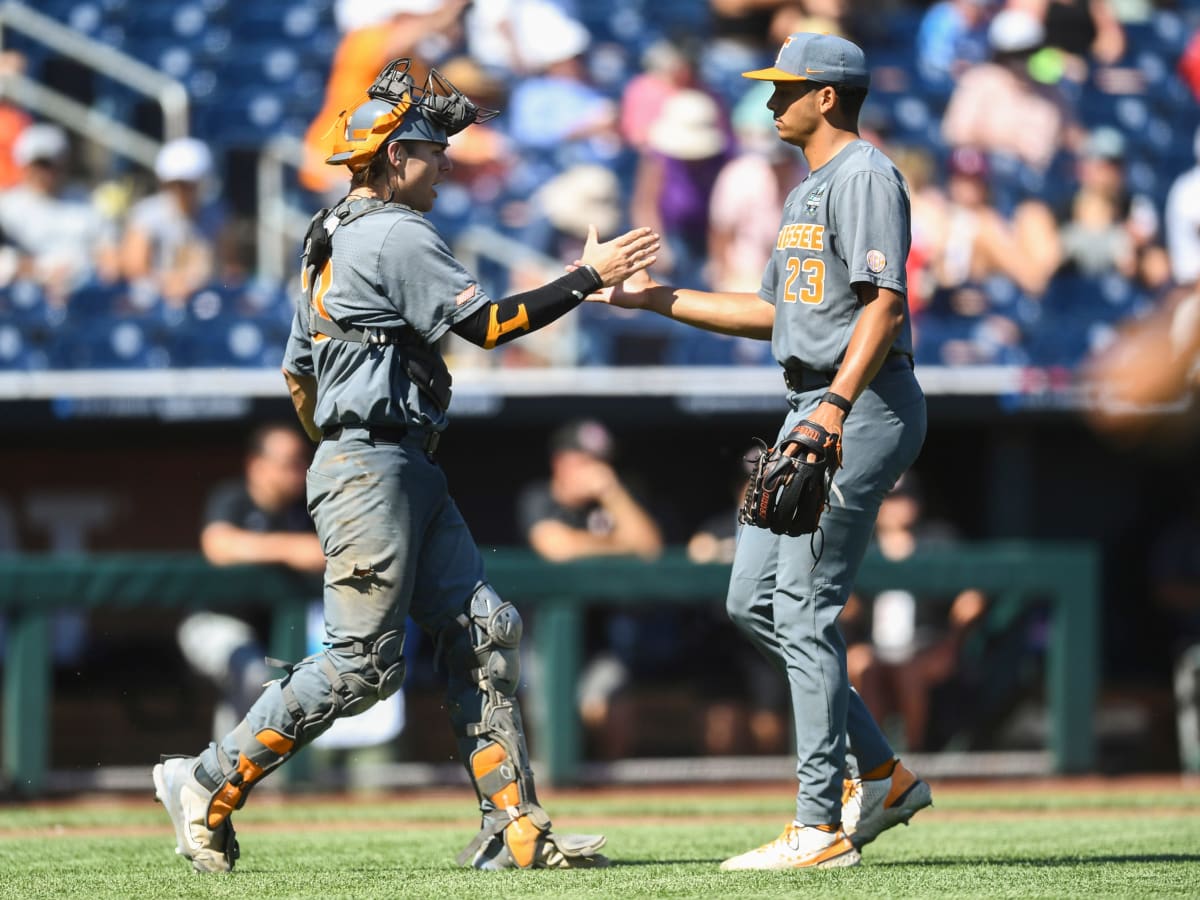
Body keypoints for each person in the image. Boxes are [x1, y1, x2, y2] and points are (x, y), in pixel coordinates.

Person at [152, 57, 658, 874]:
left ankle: (515, 830)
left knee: (483, 629)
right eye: (430, 152)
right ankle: (205, 779)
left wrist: (344, 448)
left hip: (387, 461)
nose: (444, 164)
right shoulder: (393, 230)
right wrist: (587, 278)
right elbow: (489, 326)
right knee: (364, 666)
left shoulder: (328, 234)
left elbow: (297, 376)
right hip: (375, 465)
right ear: (394, 158)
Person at [588, 32, 931, 870]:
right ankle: (881, 772)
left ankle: (819, 827)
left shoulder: (865, 174)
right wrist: (654, 299)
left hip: (860, 403)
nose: (771, 102)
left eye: (785, 89)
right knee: (755, 602)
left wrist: (836, 409)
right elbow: (770, 314)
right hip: (810, 400)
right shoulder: (806, 188)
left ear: (827, 97)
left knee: (805, 608)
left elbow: (883, 309)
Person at [515, 419, 665, 759]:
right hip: (542, 639)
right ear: (561, 462)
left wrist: (612, 492)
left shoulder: (612, 502)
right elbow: (557, 549)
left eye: (600, 462)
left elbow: (650, 548)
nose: (595, 471)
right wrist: (617, 545)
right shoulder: (539, 497)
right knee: (547, 728)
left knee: (612, 712)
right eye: (585, 460)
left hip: (598, 640)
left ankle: (611, 807)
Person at [841, 473, 988, 753]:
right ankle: (874, 758)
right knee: (861, 664)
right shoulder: (859, 544)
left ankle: (913, 757)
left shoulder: (939, 540)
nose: (899, 506)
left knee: (910, 670)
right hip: (875, 646)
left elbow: (973, 593)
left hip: (926, 645)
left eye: (906, 498)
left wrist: (955, 637)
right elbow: (843, 601)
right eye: (891, 499)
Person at [119, 137, 230, 306]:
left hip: (205, 301)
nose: (180, 191)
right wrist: (168, 283)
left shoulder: (216, 214)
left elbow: (229, 268)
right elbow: (133, 266)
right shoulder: (147, 214)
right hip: (154, 302)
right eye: (174, 184)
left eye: (187, 185)